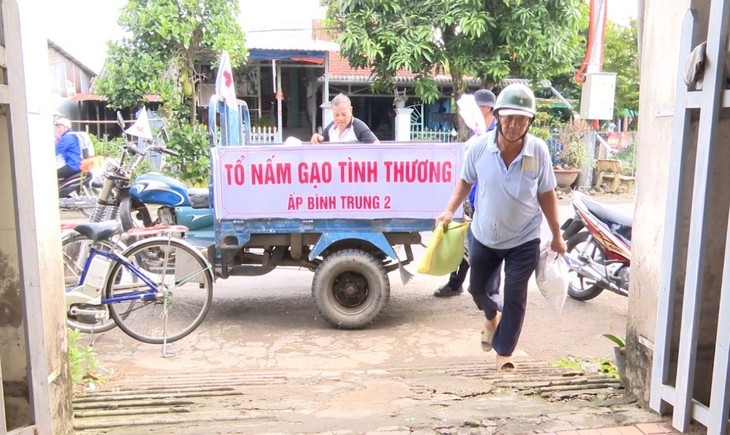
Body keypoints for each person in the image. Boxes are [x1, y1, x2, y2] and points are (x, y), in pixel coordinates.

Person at [435, 83, 566, 371]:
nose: (514, 124)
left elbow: (547, 194)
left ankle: (504, 354)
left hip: (524, 239)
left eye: (521, 119)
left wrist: (557, 235)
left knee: (516, 296)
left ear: (529, 122)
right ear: (497, 116)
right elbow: (465, 181)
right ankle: (492, 318)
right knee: (477, 290)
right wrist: (448, 210)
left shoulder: (538, 151)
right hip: (484, 235)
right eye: (509, 117)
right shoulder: (479, 148)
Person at [434, 89, 497, 297]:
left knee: (485, 245)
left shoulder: (496, 133)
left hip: (490, 200)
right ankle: (456, 283)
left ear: (487, 108)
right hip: (473, 198)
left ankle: (486, 290)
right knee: (467, 241)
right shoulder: (477, 133)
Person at [311, 94, 380, 144]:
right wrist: (317, 137)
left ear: (350, 110)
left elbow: (376, 145)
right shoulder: (331, 127)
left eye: (344, 114)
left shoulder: (358, 126)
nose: (340, 118)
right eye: (336, 115)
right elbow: (321, 138)